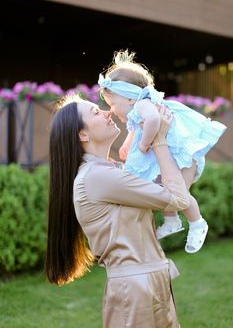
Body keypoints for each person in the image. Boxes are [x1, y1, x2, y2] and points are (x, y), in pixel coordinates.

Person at [46, 94, 191, 327]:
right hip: (135, 290)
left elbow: (173, 189)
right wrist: (159, 139)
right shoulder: (98, 177)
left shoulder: (112, 171)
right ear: (82, 135)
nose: (108, 112)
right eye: (96, 112)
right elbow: (178, 198)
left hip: (149, 282)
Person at [98, 50, 226, 254]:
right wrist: (128, 143)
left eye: (113, 104)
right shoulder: (138, 108)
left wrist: (144, 144)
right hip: (173, 156)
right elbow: (136, 128)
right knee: (166, 188)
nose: (111, 110)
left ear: (130, 99)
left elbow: (154, 121)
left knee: (180, 194)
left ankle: (197, 223)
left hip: (182, 155)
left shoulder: (143, 104)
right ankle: (172, 220)